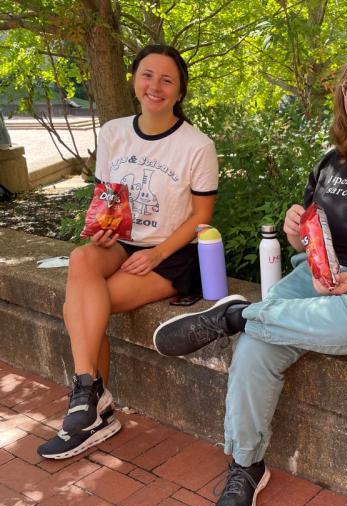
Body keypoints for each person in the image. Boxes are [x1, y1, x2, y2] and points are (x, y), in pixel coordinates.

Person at [152, 46, 347, 506]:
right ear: (342, 95)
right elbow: (315, 232)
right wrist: (294, 227)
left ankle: (235, 314)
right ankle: (246, 463)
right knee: (256, 345)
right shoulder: (332, 162)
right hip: (319, 279)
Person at [37, 44, 219, 460]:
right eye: (147, 75)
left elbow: (202, 217)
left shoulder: (196, 145)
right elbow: (106, 197)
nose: (155, 86)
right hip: (118, 241)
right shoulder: (114, 132)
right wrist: (101, 229)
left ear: (179, 91)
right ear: (135, 80)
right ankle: (90, 391)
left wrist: (155, 256)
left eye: (167, 79)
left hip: (169, 253)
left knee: (81, 305)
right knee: (82, 259)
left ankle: (89, 407)